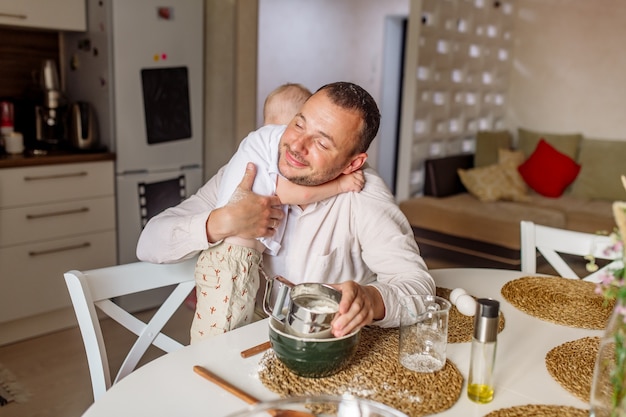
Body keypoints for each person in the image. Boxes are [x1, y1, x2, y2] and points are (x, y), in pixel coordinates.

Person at [137, 81, 435, 339]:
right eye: (298, 124)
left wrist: (371, 299)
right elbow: (149, 243)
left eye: (321, 142)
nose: (296, 145)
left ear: (352, 164)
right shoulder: (248, 175)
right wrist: (222, 221)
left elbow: (420, 290)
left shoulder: (363, 196)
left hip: (322, 359)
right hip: (240, 351)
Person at [191, 93, 364, 342]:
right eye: (298, 126)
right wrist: (341, 184)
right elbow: (292, 193)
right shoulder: (269, 145)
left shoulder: (266, 142)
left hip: (236, 258)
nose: (297, 145)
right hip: (231, 259)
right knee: (219, 333)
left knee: (229, 328)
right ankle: (203, 370)